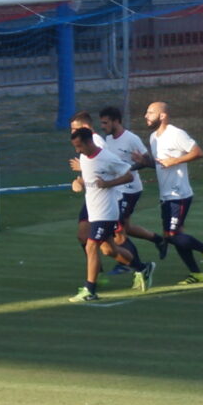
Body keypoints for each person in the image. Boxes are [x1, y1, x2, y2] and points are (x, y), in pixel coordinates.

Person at [67, 123, 145, 303]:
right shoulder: (84, 158)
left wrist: (108, 184)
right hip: (93, 210)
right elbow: (87, 179)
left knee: (91, 246)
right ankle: (142, 268)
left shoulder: (107, 158)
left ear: (89, 142)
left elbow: (129, 175)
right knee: (109, 249)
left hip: (107, 211)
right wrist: (78, 183)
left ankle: (89, 290)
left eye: (79, 146)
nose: (77, 150)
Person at [144, 100, 203, 280]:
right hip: (165, 195)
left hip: (179, 194)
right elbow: (161, 163)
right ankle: (196, 273)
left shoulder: (176, 134)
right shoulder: (153, 138)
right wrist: (143, 162)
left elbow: (198, 152)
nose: (146, 116)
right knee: (172, 236)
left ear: (162, 116)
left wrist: (175, 161)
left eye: (150, 112)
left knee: (173, 235)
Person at [95, 107, 164, 270]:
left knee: (118, 228)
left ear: (116, 121)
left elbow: (147, 161)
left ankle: (131, 264)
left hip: (130, 188)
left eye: (105, 123)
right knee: (125, 227)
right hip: (117, 189)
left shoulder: (131, 139)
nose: (103, 126)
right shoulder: (108, 139)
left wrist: (131, 168)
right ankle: (158, 240)